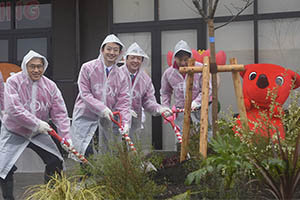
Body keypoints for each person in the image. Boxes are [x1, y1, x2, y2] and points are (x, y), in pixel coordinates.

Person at [0, 50, 71, 200]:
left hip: (38, 133)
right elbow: (13, 109)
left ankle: (49, 195)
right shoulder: (13, 82)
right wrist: (36, 123)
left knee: (55, 161)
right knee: (4, 167)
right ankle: (8, 198)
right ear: (25, 66)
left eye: (39, 66)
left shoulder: (50, 86)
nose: (36, 70)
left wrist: (66, 137)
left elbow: (60, 113)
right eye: (32, 66)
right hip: (14, 131)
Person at [71, 34, 131, 157]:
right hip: (85, 116)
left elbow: (123, 101)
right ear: (102, 50)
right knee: (86, 152)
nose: (112, 52)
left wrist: (125, 122)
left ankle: (103, 177)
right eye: (109, 49)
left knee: (108, 153)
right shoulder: (87, 68)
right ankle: (86, 176)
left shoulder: (121, 75)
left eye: (116, 50)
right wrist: (102, 108)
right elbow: (85, 93)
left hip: (107, 120)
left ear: (120, 53)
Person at [119, 42, 172, 143]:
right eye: (133, 57)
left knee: (132, 149)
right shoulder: (116, 74)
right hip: (115, 121)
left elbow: (148, 101)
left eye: (139, 58)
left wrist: (160, 109)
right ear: (126, 59)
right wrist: (123, 111)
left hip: (135, 121)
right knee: (113, 149)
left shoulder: (145, 79)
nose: (136, 61)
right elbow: (109, 98)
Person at [160, 40, 212, 133]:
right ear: (175, 58)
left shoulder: (199, 69)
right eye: (180, 60)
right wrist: (165, 107)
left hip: (200, 111)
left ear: (190, 57)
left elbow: (207, 88)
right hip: (181, 112)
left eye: (186, 59)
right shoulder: (169, 73)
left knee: (203, 137)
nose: (183, 63)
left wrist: (197, 102)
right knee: (182, 139)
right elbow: (165, 92)